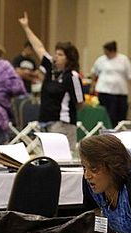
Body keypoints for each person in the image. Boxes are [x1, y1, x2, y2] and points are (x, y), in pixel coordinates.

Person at [18, 12, 84, 153]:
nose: (56, 57)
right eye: (56, 53)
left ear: (69, 58)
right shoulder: (50, 68)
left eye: (60, 55)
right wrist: (26, 27)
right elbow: (39, 47)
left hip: (62, 124)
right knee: (46, 158)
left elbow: (80, 103)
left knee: (63, 158)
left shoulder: (72, 76)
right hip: (45, 122)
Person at [90, 41, 131, 127]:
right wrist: (92, 85)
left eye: (106, 51)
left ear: (112, 51)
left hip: (120, 93)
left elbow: (130, 76)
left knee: (120, 116)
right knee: (108, 115)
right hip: (104, 92)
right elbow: (94, 73)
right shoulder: (101, 60)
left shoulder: (123, 60)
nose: (105, 53)